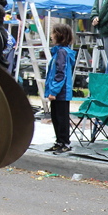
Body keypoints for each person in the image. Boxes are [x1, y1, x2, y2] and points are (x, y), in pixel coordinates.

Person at [43, 23, 77, 155]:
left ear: (58, 35)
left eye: (52, 33)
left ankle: (65, 142)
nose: (51, 36)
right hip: (58, 92)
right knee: (56, 117)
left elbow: (60, 73)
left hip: (61, 93)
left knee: (61, 118)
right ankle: (59, 141)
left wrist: (53, 91)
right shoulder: (59, 51)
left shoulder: (62, 52)